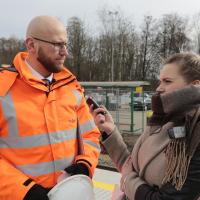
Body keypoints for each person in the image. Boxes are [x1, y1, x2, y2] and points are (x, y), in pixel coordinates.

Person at [0, 16, 100, 200]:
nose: (65, 52)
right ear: (31, 45)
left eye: (65, 44)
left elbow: (90, 135)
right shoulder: (2, 88)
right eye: (57, 44)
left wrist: (85, 165)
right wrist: (23, 191)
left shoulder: (71, 87)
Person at [91, 52, 200, 200]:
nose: (159, 88)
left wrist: (128, 179)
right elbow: (132, 167)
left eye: (167, 81)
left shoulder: (195, 132)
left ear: (195, 85)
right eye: (160, 81)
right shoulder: (161, 120)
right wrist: (111, 132)